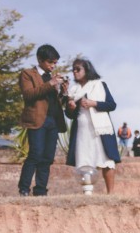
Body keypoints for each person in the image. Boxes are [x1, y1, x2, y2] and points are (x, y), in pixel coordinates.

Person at [17, 44, 68, 196]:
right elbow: (28, 95)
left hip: (53, 121)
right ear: (40, 59)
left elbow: (56, 101)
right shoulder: (27, 74)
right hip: (37, 120)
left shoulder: (53, 78)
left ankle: (40, 191)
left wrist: (63, 92)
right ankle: (24, 189)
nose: (53, 65)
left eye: (55, 62)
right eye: (50, 62)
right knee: (35, 154)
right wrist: (50, 84)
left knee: (47, 158)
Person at [65, 58, 120, 194]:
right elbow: (70, 115)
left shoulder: (99, 84)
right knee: (84, 162)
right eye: (73, 70)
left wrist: (94, 103)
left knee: (106, 160)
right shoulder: (73, 90)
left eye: (78, 69)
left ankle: (110, 193)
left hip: (100, 130)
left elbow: (111, 105)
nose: (75, 72)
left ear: (87, 70)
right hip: (82, 132)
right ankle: (87, 194)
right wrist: (71, 107)